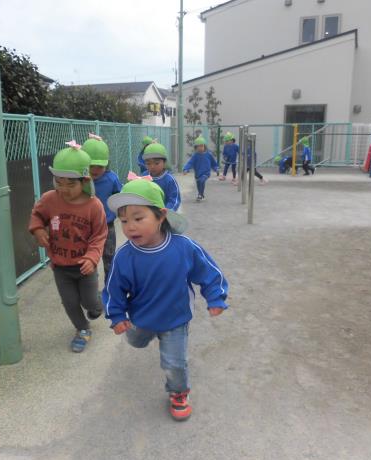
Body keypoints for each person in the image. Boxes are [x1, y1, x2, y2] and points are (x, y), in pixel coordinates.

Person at [103, 179, 228, 421]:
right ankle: (145, 334)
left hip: (175, 318)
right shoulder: (124, 256)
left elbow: (209, 272)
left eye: (138, 218)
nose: (130, 227)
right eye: (124, 221)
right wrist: (117, 315)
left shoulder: (184, 247)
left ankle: (178, 393)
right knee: (136, 341)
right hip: (141, 317)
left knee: (174, 363)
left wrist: (215, 297)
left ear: (161, 216)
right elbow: (113, 289)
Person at [29, 140, 108, 353]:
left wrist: (92, 258)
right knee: (70, 303)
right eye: (59, 182)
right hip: (61, 266)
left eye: (70, 184)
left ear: (84, 181)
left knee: (89, 302)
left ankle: (97, 305)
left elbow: (99, 236)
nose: (63, 189)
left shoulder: (94, 206)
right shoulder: (49, 199)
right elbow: (37, 215)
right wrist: (38, 230)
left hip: (85, 267)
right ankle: (82, 329)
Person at [82, 133, 122, 284]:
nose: (95, 169)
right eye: (91, 165)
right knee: (88, 260)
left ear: (107, 164)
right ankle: (91, 289)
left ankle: (109, 289)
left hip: (107, 226)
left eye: (100, 166)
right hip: (85, 227)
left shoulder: (112, 178)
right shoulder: (80, 180)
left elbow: (119, 195)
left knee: (109, 259)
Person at [141, 142, 181, 211]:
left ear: (164, 163)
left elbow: (175, 200)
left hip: (163, 213)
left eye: (156, 163)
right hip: (148, 213)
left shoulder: (169, 180)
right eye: (148, 163)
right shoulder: (144, 176)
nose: (152, 166)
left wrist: (167, 211)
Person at [182, 136, 219, 202]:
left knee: (202, 181)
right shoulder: (195, 156)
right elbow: (190, 163)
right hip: (198, 174)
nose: (200, 148)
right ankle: (201, 194)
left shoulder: (208, 155)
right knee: (199, 184)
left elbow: (213, 163)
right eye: (198, 146)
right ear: (196, 147)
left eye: (202, 146)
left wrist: (216, 169)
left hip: (206, 173)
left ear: (205, 146)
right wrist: (186, 169)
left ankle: (200, 195)